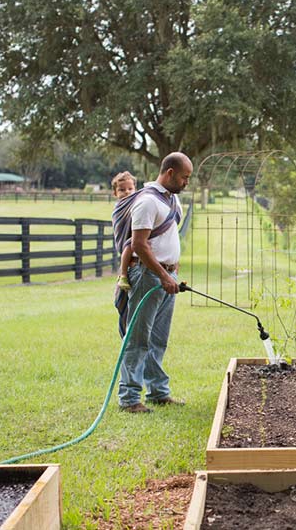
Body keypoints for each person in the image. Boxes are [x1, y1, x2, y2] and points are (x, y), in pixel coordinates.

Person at [117, 152, 192, 413]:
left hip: (166, 276)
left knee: (159, 338)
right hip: (149, 277)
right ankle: (128, 398)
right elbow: (139, 244)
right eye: (184, 177)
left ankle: (158, 392)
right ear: (170, 173)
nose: (186, 183)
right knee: (138, 338)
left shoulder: (172, 201)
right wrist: (162, 274)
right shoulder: (148, 201)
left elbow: (167, 236)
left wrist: (172, 269)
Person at [111, 171, 137, 291]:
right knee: (129, 245)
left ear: (135, 189)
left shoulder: (137, 201)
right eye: (122, 190)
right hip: (126, 237)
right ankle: (123, 275)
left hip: (134, 233)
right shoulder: (119, 207)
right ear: (115, 193)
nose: (127, 192)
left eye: (130, 188)